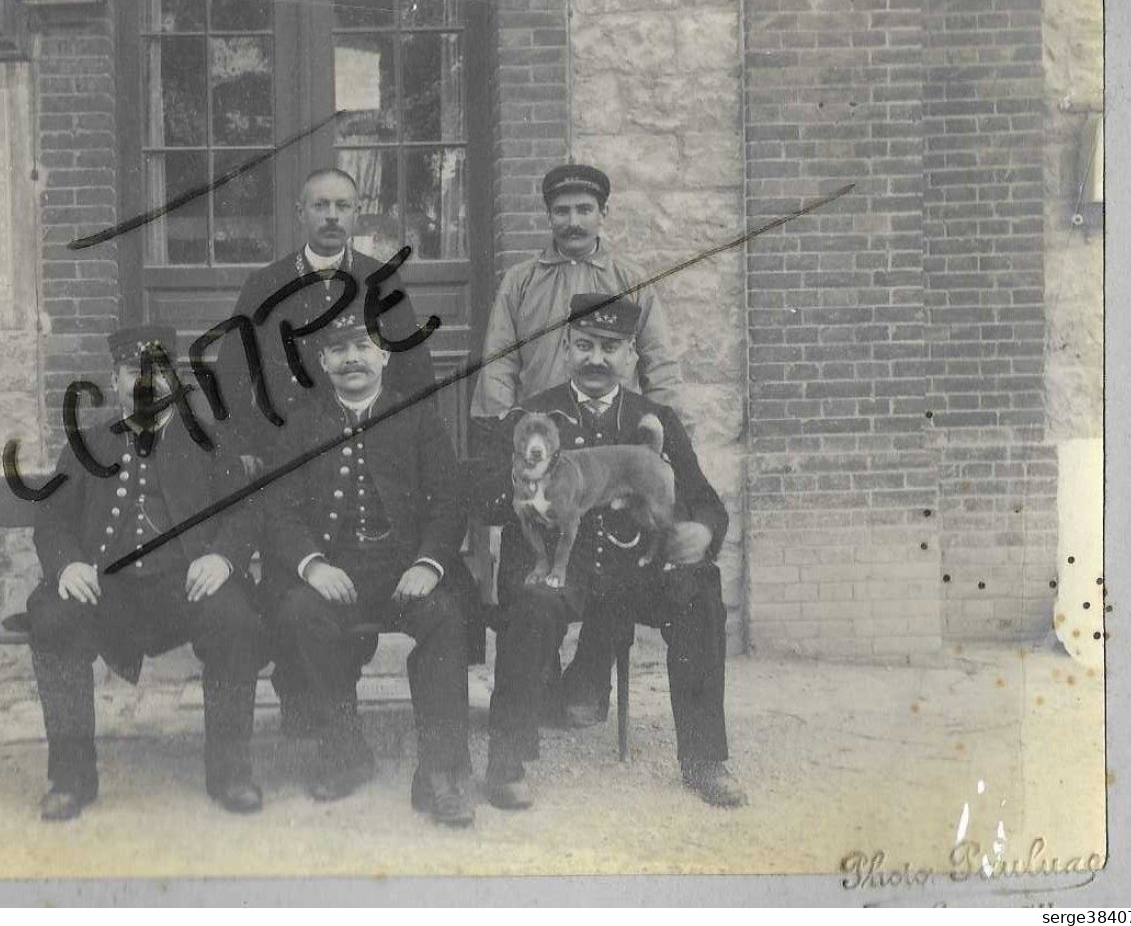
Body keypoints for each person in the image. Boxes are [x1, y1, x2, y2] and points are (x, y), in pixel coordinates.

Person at [484, 293, 746, 811]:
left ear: (631, 354)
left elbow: (705, 499)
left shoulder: (657, 419)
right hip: (568, 573)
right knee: (530, 602)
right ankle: (507, 760)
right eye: (584, 346)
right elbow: (494, 498)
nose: (597, 359)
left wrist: (704, 532)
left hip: (636, 571)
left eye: (611, 347)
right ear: (565, 349)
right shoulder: (534, 418)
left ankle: (704, 759)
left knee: (698, 588)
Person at [217, 166, 439, 732]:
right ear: (301, 213)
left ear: (357, 210)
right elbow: (231, 380)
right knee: (295, 595)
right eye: (321, 206)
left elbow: (415, 380)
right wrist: (245, 449)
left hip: (367, 456)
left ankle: (332, 705)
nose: (333, 217)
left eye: (343, 206)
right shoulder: (264, 287)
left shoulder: (380, 282)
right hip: (290, 470)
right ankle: (304, 702)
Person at [26, 323, 265, 821]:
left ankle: (231, 772)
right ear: (114, 380)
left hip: (185, 588)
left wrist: (221, 557)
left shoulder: (207, 441)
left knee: (236, 618)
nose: (147, 384)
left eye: (159, 374)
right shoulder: (86, 444)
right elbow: (51, 518)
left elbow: (244, 511)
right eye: (135, 372)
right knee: (50, 614)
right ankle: (71, 778)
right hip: (107, 592)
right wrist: (68, 564)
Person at [255, 310, 475, 826]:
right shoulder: (303, 424)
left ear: (385, 355)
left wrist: (427, 564)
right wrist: (311, 565)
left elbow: (448, 499)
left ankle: (441, 773)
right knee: (298, 612)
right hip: (334, 570)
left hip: (405, 569)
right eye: (339, 348)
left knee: (445, 617)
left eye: (363, 346)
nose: (352, 357)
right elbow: (279, 508)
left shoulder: (417, 416)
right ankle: (345, 748)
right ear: (325, 361)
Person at [468, 163, 681, 424]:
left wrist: (666, 433)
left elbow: (659, 366)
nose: (573, 223)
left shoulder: (631, 282)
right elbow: (498, 367)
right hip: (544, 432)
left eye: (584, 210)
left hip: (617, 436)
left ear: (603, 213)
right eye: (561, 211)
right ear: (548, 216)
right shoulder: (519, 282)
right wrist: (503, 432)